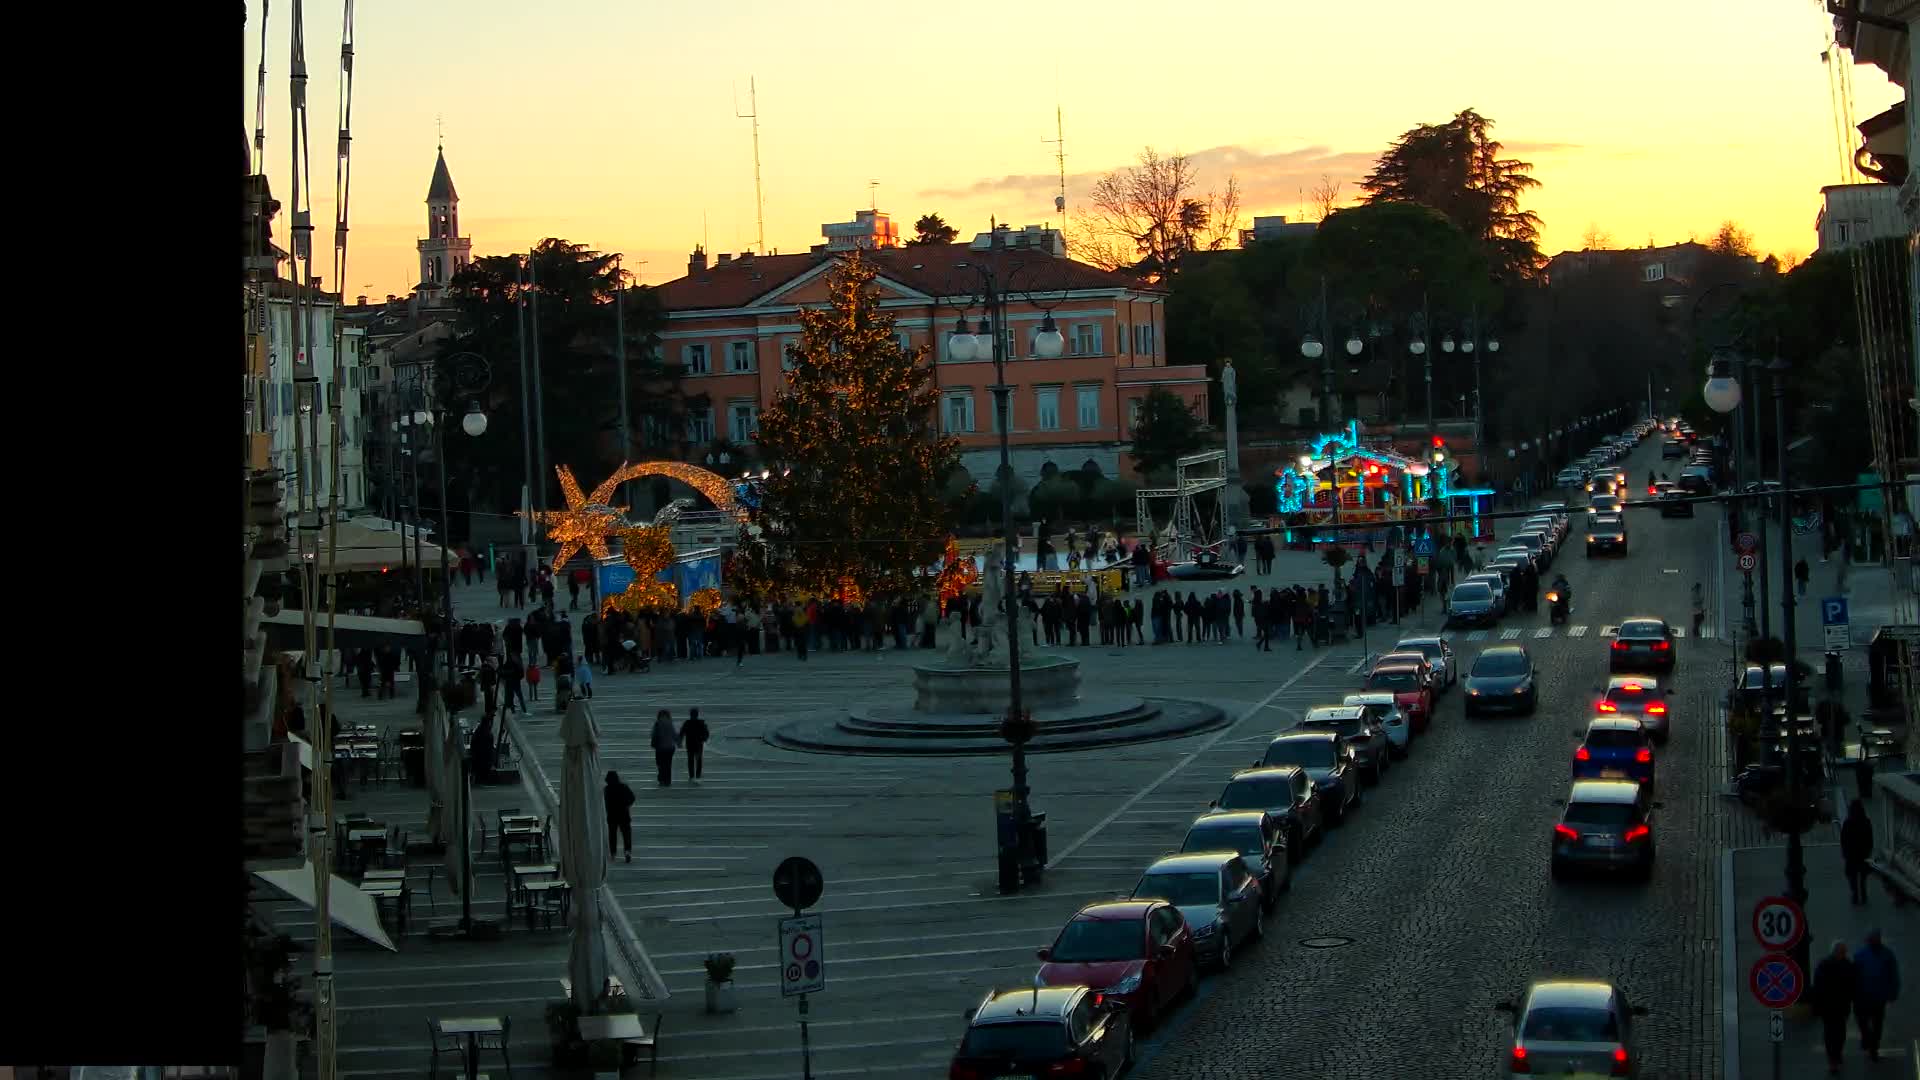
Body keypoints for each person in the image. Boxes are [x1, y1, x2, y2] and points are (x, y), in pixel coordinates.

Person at [1852, 929, 1900, 1062]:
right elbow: (1853, 975)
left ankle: (1874, 1048)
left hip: (1879, 996)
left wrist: (1893, 992)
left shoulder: (1887, 955)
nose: (1873, 941)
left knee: (1877, 1023)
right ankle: (1867, 1038)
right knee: (1862, 1020)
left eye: (1875, 939)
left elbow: (1893, 974)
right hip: (1862, 995)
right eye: (1871, 939)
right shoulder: (1860, 955)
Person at [1812, 939, 1857, 1074]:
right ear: (1835, 952)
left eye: (1844, 951)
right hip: (1829, 1006)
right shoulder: (1825, 964)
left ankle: (1836, 1054)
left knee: (1840, 1032)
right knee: (1831, 1033)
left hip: (1842, 1006)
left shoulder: (1847, 964)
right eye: (1842, 951)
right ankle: (1832, 1060)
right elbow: (1818, 986)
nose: (1844, 953)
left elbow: (1853, 984)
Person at [1840, 798, 1875, 904]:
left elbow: (1843, 839)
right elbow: (1870, 837)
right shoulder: (1866, 821)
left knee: (1852, 875)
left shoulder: (1847, 822)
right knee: (1863, 876)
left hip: (1851, 854)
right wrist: (1869, 850)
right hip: (1863, 853)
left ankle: (1855, 894)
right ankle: (1863, 893)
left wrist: (1844, 851)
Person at [604, 770, 635, 863]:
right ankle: (627, 851)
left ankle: (613, 853)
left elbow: (604, 802)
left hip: (612, 815)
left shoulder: (607, 789)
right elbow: (632, 798)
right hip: (624, 814)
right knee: (626, 834)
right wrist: (627, 805)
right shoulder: (624, 787)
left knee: (612, 835)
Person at [680, 707, 710, 781]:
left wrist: (679, 741)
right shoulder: (701, 723)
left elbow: (682, 733)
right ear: (697, 715)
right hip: (698, 744)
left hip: (690, 744)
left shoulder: (687, 723)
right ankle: (698, 775)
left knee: (690, 760)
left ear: (690, 715)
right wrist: (704, 739)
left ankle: (691, 775)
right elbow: (706, 733)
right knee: (698, 760)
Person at [650, 708, 678, 787]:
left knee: (660, 763)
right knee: (668, 764)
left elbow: (652, 734)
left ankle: (661, 779)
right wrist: (678, 742)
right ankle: (667, 781)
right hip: (670, 748)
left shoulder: (657, 723)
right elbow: (674, 734)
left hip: (660, 747)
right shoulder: (670, 723)